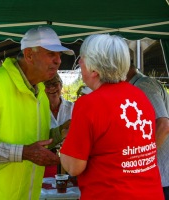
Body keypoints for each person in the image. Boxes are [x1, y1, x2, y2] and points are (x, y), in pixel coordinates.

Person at [0, 26, 74, 200]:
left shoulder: (39, 90)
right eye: (51, 54)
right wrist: (24, 152)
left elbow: (30, 139)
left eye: (59, 56)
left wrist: (59, 133)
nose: (58, 61)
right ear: (29, 55)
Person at [60, 34, 164, 200]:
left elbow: (73, 166)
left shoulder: (89, 104)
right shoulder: (139, 95)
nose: (79, 63)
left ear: (94, 69)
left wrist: (66, 140)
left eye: (82, 58)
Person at [126, 62, 169, 200]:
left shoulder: (143, 86)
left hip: (161, 179)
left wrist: (142, 159)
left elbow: (163, 125)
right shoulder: (136, 86)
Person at [43, 73, 74, 176]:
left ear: (61, 86)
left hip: (70, 159)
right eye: (47, 85)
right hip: (46, 160)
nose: (52, 88)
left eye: (55, 84)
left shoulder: (72, 107)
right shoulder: (38, 110)